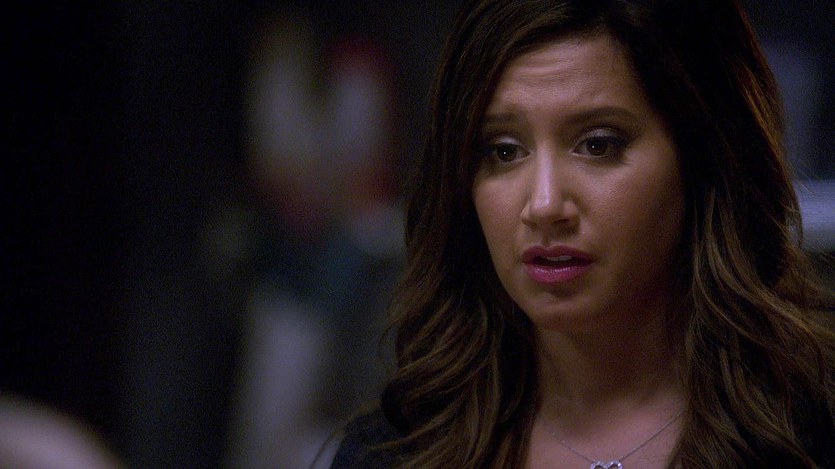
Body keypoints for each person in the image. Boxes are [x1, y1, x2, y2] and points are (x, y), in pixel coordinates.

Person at [328, 0, 835, 467]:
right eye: (504, 150)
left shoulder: (809, 435)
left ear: (702, 159)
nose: (545, 205)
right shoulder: (396, 452)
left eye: (597, 145)